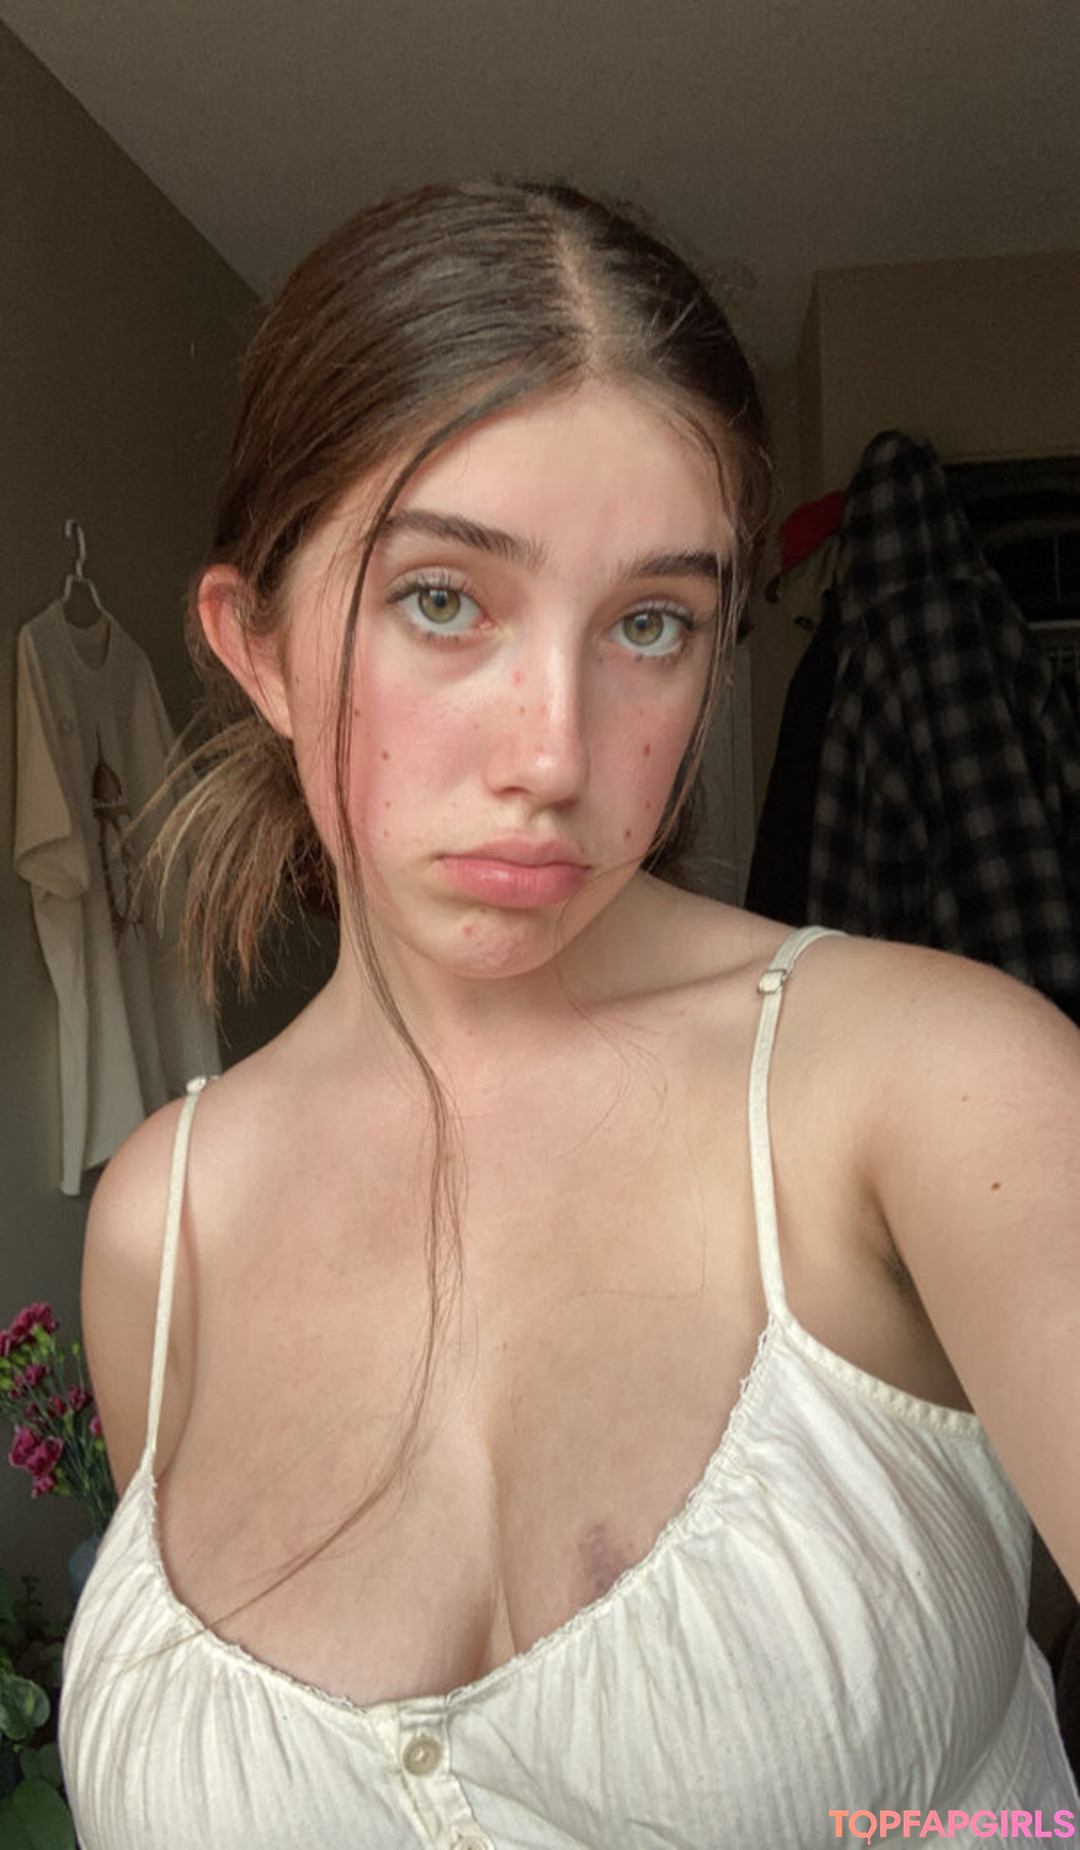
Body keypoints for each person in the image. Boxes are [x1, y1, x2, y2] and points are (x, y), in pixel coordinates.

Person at [59, 180, 1079, 1848]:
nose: (556, 751)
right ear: (259, 647)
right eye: (442, 598)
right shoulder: (158, 1232)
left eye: (651, 624)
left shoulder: (928, 1087)